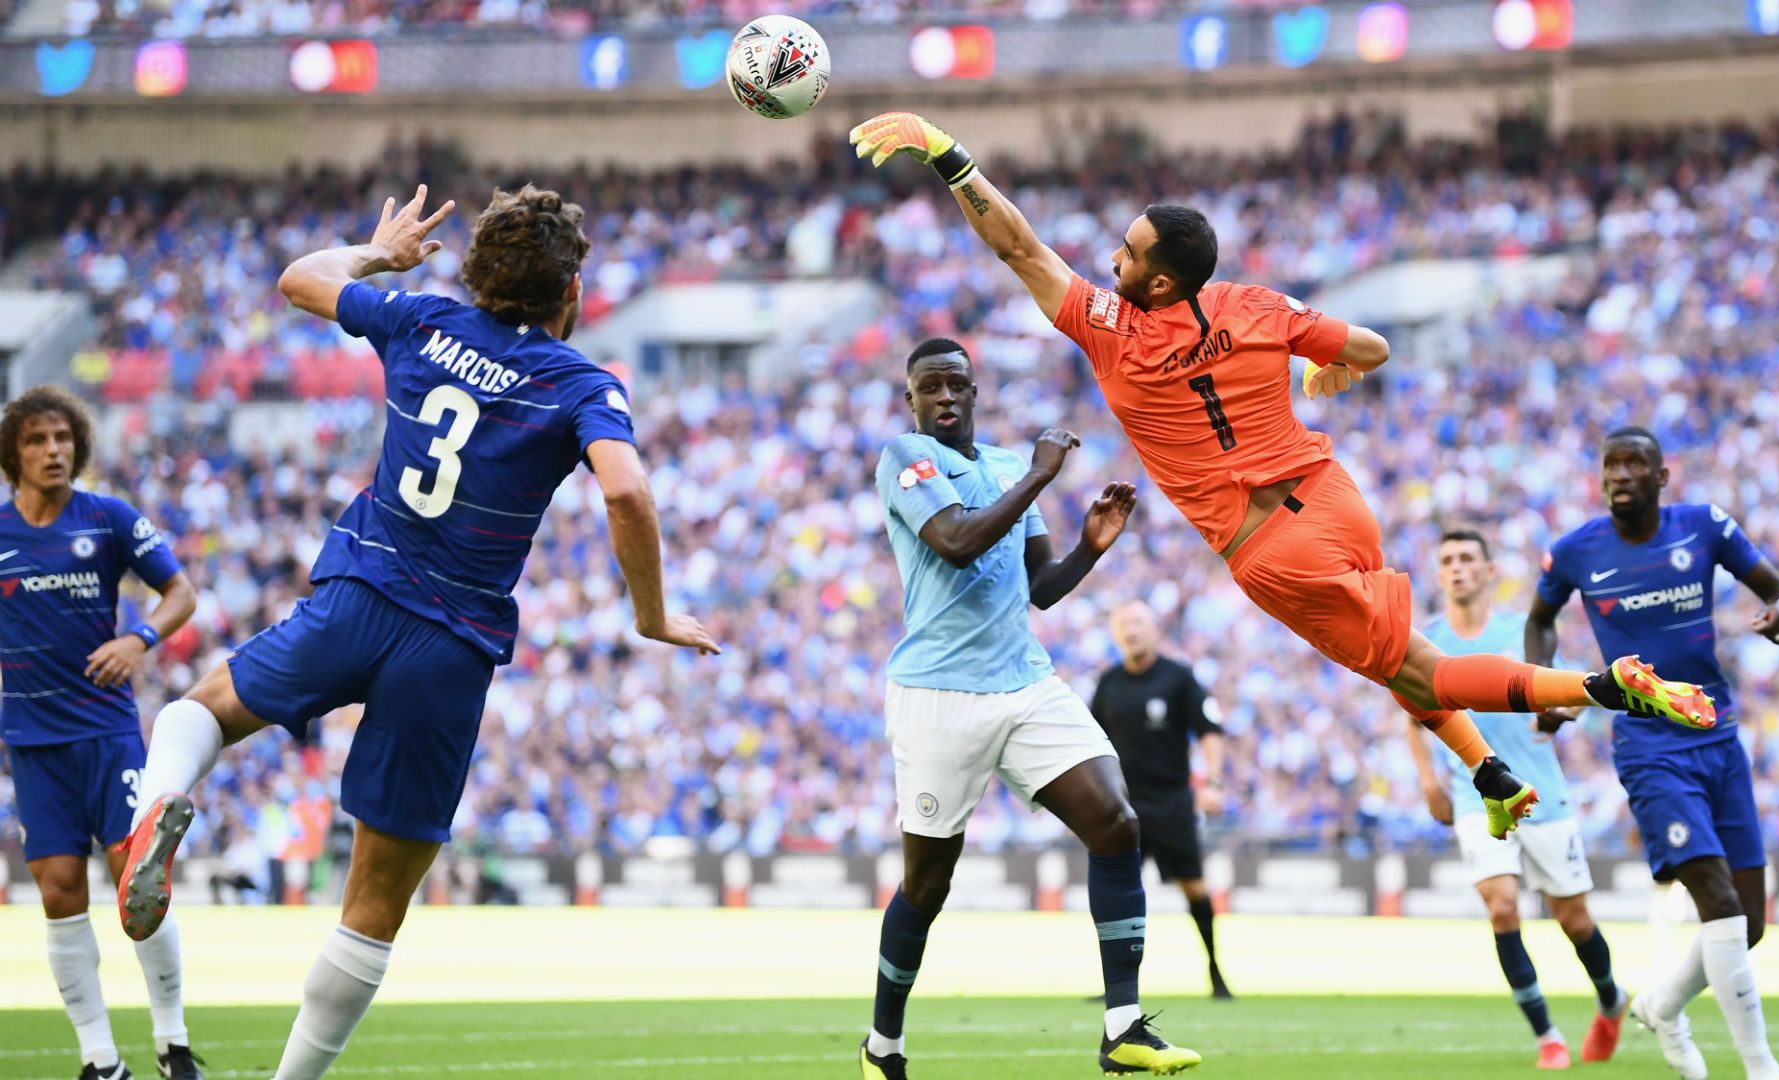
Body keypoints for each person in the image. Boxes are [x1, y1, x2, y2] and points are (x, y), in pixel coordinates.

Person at [848, 112, 1719, 844]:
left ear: (1156, 278)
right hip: (1336, 497)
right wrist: (1322, 374)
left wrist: (945, 151)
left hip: (1271, 546)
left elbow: (1018, 247)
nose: (1111, 258)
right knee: (1395, 662)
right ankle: (1488, 772)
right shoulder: (1253, 305)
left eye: (1126, 250)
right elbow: (1371, 349)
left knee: (1429, 670)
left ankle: (1607, 687)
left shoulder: (1113, 329)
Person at [115, 184, 720, 1079]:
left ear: (477, 275)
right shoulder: (582, 383)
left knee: (190, 718)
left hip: (359, 595)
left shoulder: (419, 322)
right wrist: (652, 614)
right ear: (573, 291)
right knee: (375, 900)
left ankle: (159, 806)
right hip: (451, 646)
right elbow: (626, 489)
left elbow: (299, 278)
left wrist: (381, 255)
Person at [861, 338, 1200, 1079]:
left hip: (1023, 682)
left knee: (1116, 822)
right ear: (911, 400)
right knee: (928, 884)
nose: (945, 397)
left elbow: (1040, 587)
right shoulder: (905, 458)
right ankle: (882, 1043)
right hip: (938, 695)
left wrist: (1089, 549)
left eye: (957, 385)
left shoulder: (1010, 465)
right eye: (930, 388)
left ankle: (1122, 1029)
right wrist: (1045, 477)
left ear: (975, 393)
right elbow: (953, 541)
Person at [1527, 426, 1779, 1080]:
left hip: (1719, 736)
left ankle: (1662, 1005)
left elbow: (1777, 588)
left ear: (1661, 476)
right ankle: (1761, 1068)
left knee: (1749, 922)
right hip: (1649, 745)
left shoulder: (1701, 527)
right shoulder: (1575, 552)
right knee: (1718, 903)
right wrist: (1547, 686)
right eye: (1610, 466)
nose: (1619, 475)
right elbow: (1539, 620)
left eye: (1634, 464)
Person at [0, 386, 202, 1080]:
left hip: (107, 732)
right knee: (58, 892)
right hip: (32, 740)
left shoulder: (109, 519)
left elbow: (181, 592)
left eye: (61, 438)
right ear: (13, 454)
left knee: (137, 887)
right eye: (35, 440)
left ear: (77, 445)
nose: (52, 451)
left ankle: (173, 1046)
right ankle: (101, 1060)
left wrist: (140, 638)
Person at [1404, 530, 1626, 1071]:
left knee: (1573, 920)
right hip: (1474, 793)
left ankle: (1611, 1000)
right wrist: (1430, 783)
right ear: (1438, 574)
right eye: (1447, 560)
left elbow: (1572, 693)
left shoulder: (1520, 633)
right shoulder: (1425, 641)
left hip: (1543, 793)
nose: (1456, 569)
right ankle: (1547, 1035)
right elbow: (1413, 713)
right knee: (1501, 907)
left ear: (1488, 571)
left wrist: (1562, 713)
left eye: (1466, 559)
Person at [1090, 599, 1232, 1000]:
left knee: (1194, 887)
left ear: (1154, 629)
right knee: (1118, 891)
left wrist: (1214, 782)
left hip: (1170, 801)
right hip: (1121, 805)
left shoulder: (1179, 678)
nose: (1130, 630)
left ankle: (1215, 973)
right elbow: (1090, 739)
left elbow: (1210, 731)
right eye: (1122, 624)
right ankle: (1117, 987)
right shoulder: (1108, 683)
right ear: (1115, 635)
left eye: (1137, 622)